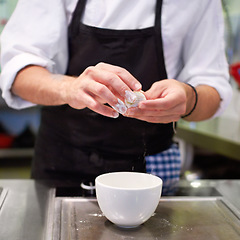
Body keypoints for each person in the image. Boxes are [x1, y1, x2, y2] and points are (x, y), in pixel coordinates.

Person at [0, 0, 232, 191]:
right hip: (62, 163)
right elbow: (19, 73)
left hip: (149, 169)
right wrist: (70, 89)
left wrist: (189, 98)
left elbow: (212, 88)